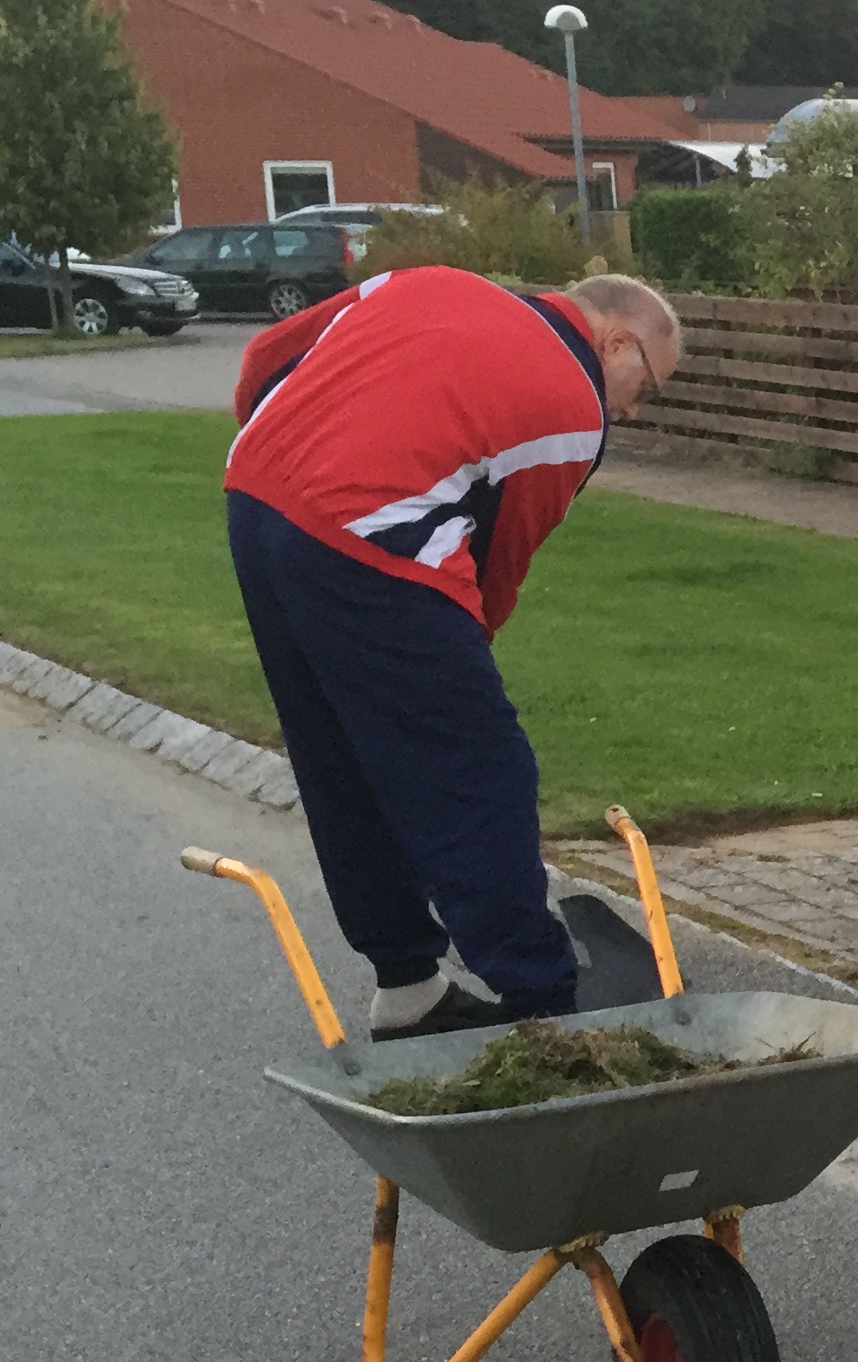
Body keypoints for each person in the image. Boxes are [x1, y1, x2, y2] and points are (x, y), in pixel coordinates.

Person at [224, 262, 683, 1038]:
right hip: (370, 536)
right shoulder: (574, 408)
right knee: (478, 765)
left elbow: (266, 358)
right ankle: (545, 1002)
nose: (634, 410)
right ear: (616, 340)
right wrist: (458, 672)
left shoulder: (425, 281)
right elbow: (499, 562)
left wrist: (288, 462)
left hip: (255, 492)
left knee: (340, 757)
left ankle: (408, 988)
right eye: (649, 386)